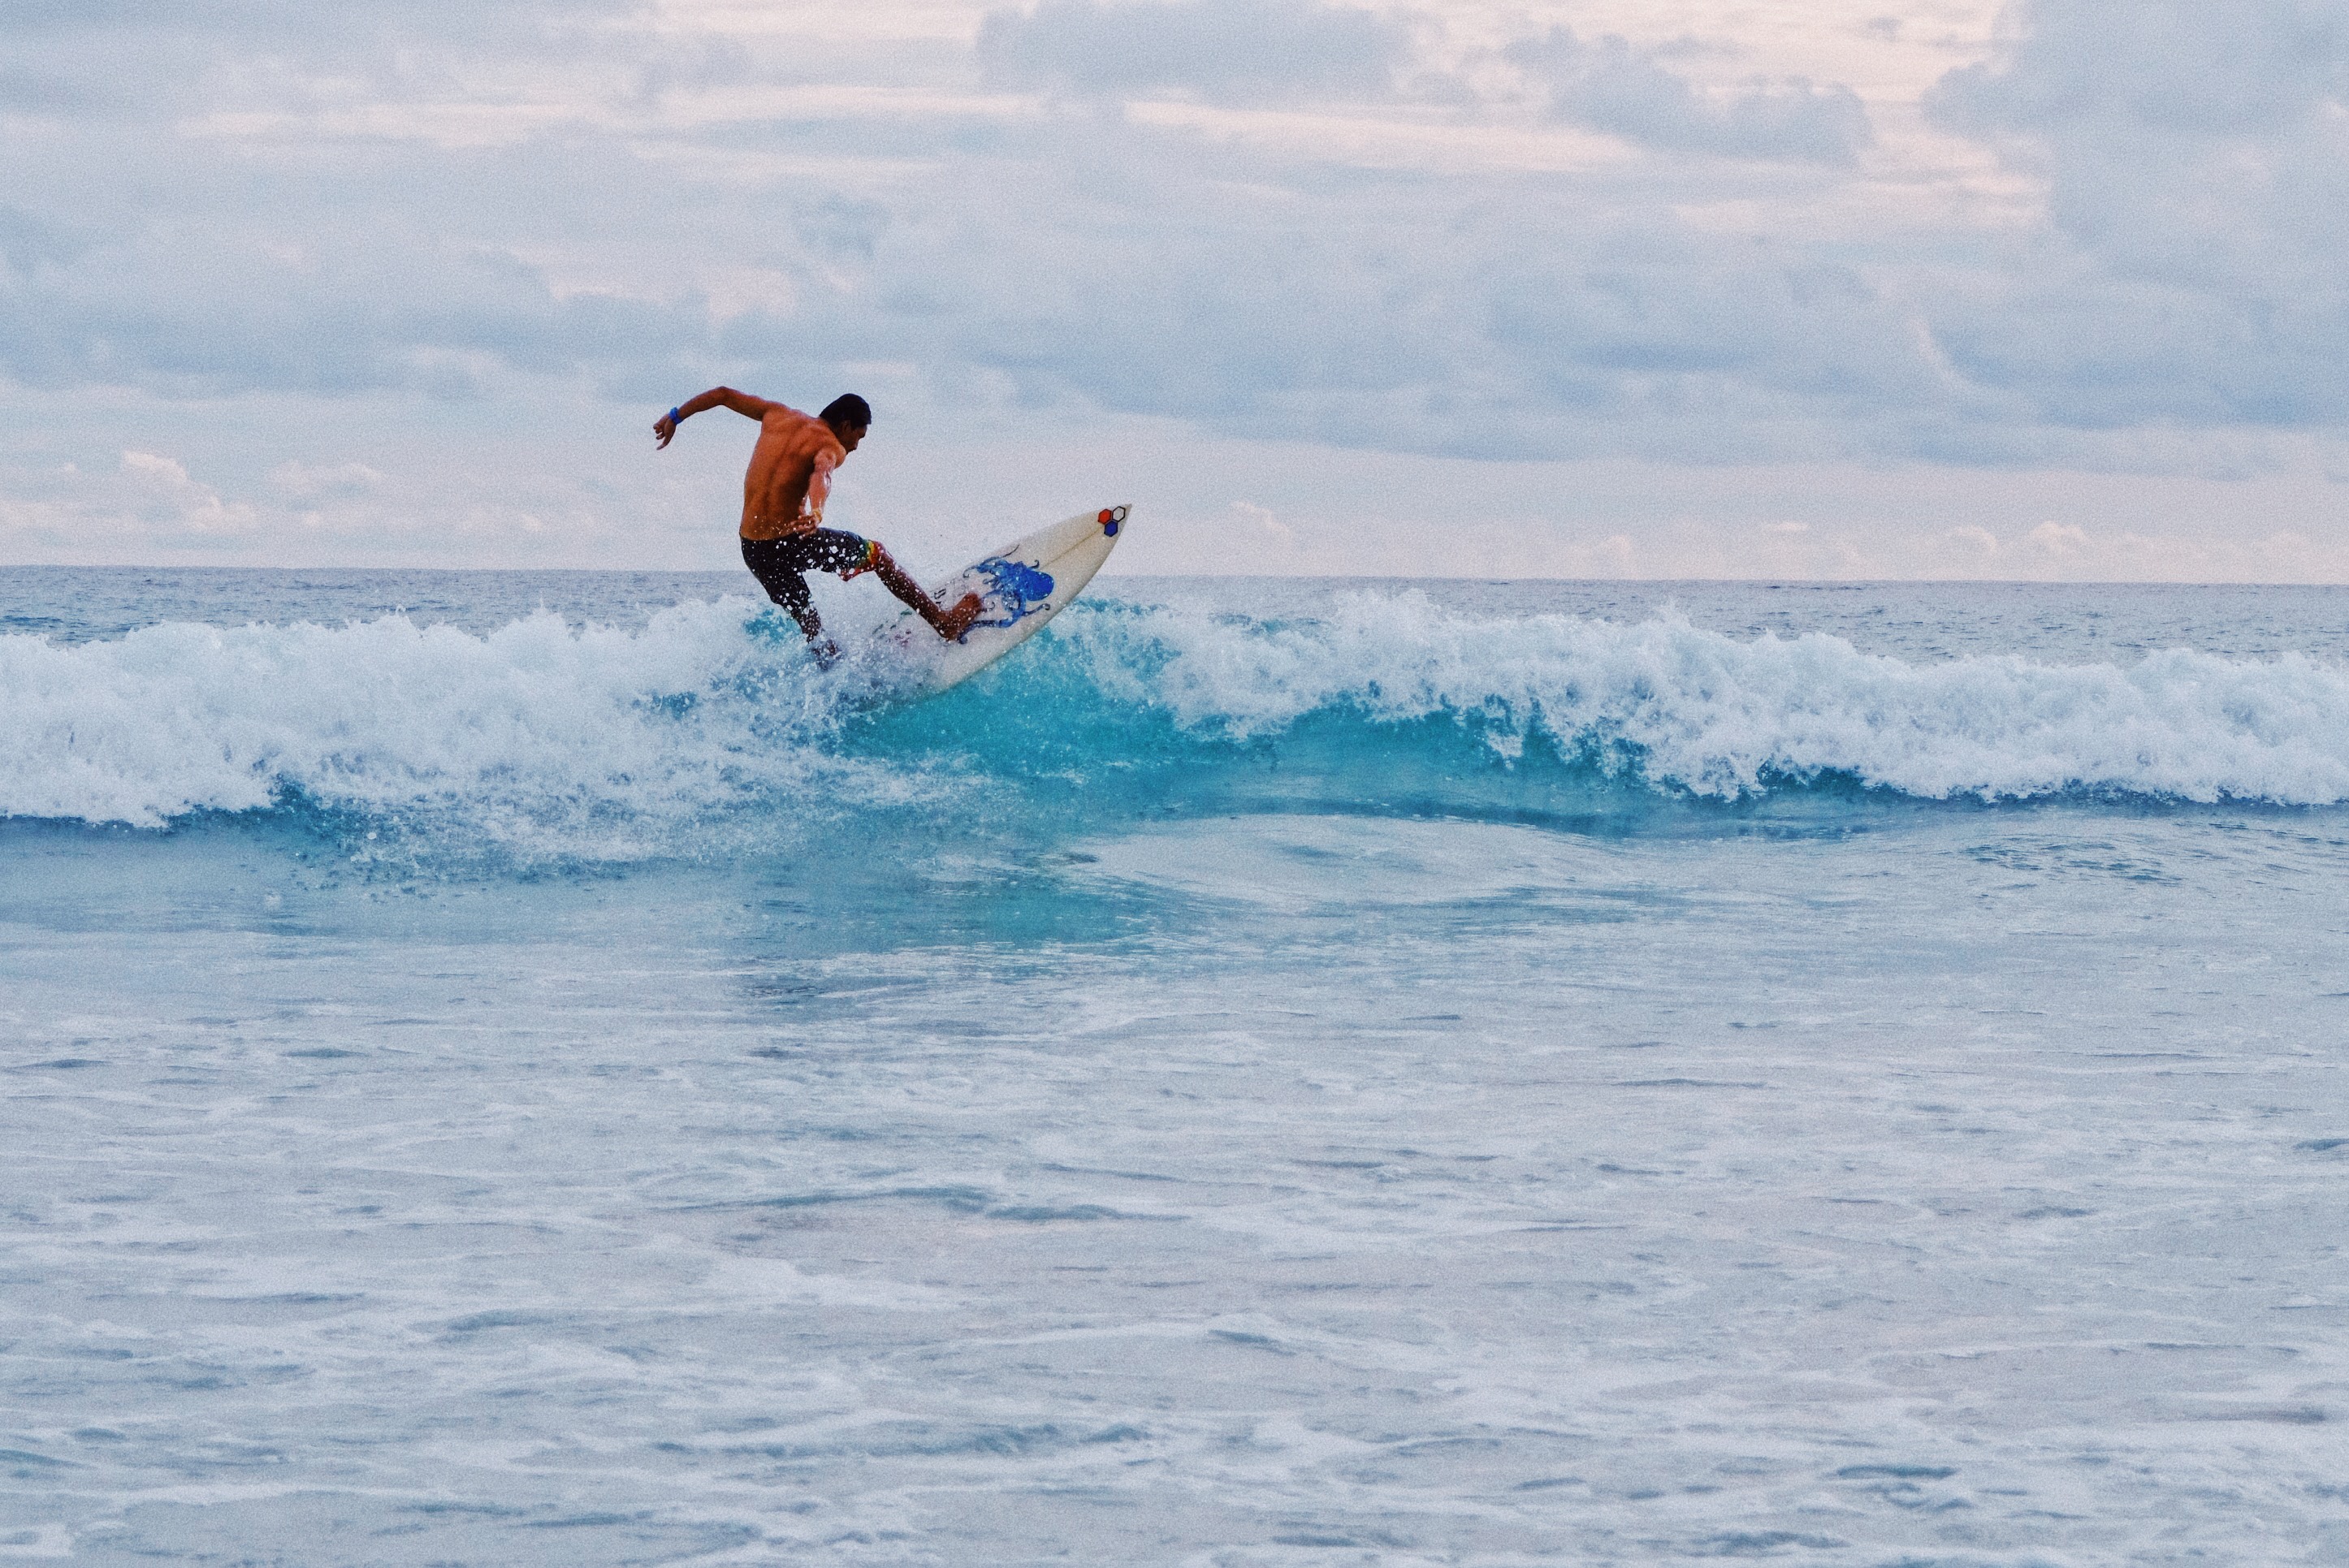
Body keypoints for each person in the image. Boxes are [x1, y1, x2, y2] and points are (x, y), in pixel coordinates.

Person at [654, 388, 983, 660]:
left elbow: (723, 395)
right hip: (791, 540)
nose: (856, 446)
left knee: (811, 624)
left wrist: (675, 416)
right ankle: (944, 623)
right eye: (859, 436)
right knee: (878, 556)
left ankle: (834, 673)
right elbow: (822, 472)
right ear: (845, 425)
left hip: (753, 549)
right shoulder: (830, 445)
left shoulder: (775, 414)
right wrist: (817, 512)